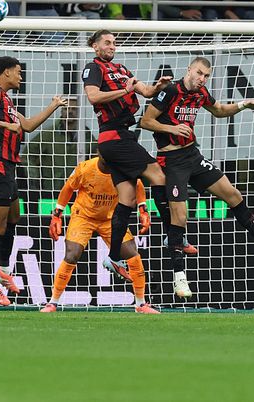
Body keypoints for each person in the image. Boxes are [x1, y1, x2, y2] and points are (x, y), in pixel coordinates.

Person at [139, 57, 254, 298]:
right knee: (180, 217)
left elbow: (219, 110)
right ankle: (179, 278)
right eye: (199, 73)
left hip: (193, 155)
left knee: (233, 194)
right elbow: (145, 121)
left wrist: (246, 104)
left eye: (206, 76)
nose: (202, 79)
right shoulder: (170, 91)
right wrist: (172, 129)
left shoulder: (201, 93)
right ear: (189, 70)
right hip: (171, 161)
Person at [0, 56, 67, 306]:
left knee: (14, 218)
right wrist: (4, 125)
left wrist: (52, 106)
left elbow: (29, 126)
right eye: (18, 72)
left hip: (9, 168)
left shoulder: (8, 101)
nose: (21, 77)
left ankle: (2, 269)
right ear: (5, 73)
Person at [82, 29, 174, 282]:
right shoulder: (93, 67)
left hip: (121, 136)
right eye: (107, 42)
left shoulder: (121, 68)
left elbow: (143, 91)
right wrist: (125, 91)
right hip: (114, 136)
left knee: (127, 198)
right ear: (94, 46)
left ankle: (113, 257)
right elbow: (93, 96)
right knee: (159, 176)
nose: (112, 46)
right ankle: (172, 234)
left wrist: (158, 87)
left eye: (114, 43)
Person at [41, 156, 159, 314]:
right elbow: (69, 187)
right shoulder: (85, 168)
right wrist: (57, 215)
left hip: (110, 218)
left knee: (133, 255)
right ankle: (52, 303)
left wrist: (143, 209)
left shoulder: (123, 167)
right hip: (83, 216)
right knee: (72, 255)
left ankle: (140, 304)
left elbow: (137, 184)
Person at [23, 98, 96, 193]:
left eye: (74, 109)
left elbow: (95, 162)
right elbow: (27, 155)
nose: (69, 112)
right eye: (66, 109)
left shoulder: (88, 138)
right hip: (51, 189)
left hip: (78, 189)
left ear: (80, 112)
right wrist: (35, 178)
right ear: (61, 111)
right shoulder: (48, 134)